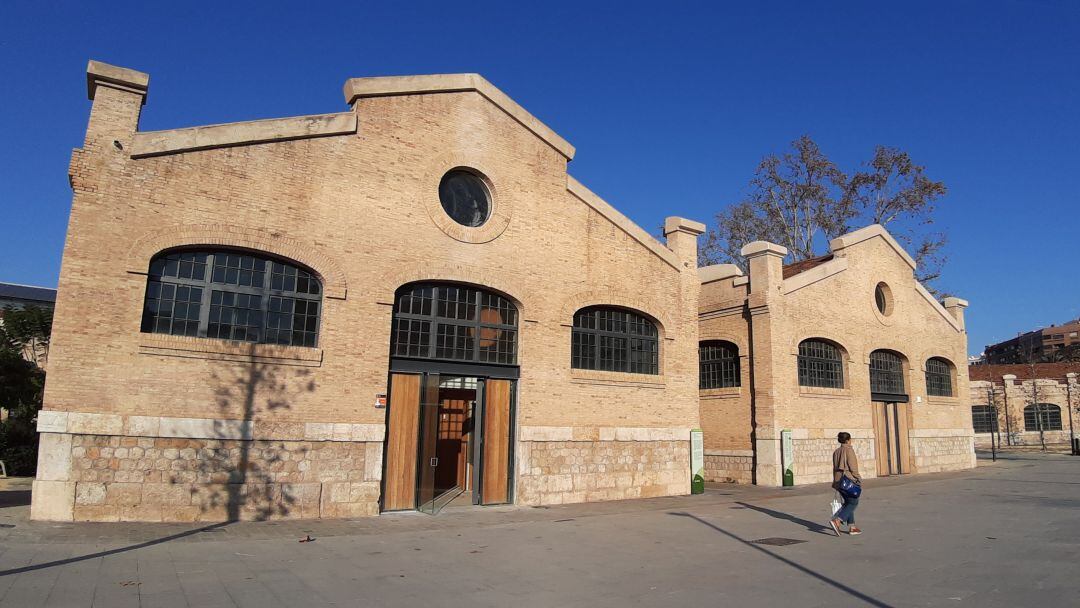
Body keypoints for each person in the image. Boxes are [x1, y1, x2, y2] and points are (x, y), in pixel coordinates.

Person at [829, 431, 862, 536]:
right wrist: (858, 478)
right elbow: (853, 467)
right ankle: (837, 520)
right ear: (848, 440)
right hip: (848, 480)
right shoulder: (849, 450)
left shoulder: (836, 452)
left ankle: (852, 527)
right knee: (853, 502)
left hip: (839, 481)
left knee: (848, 502)